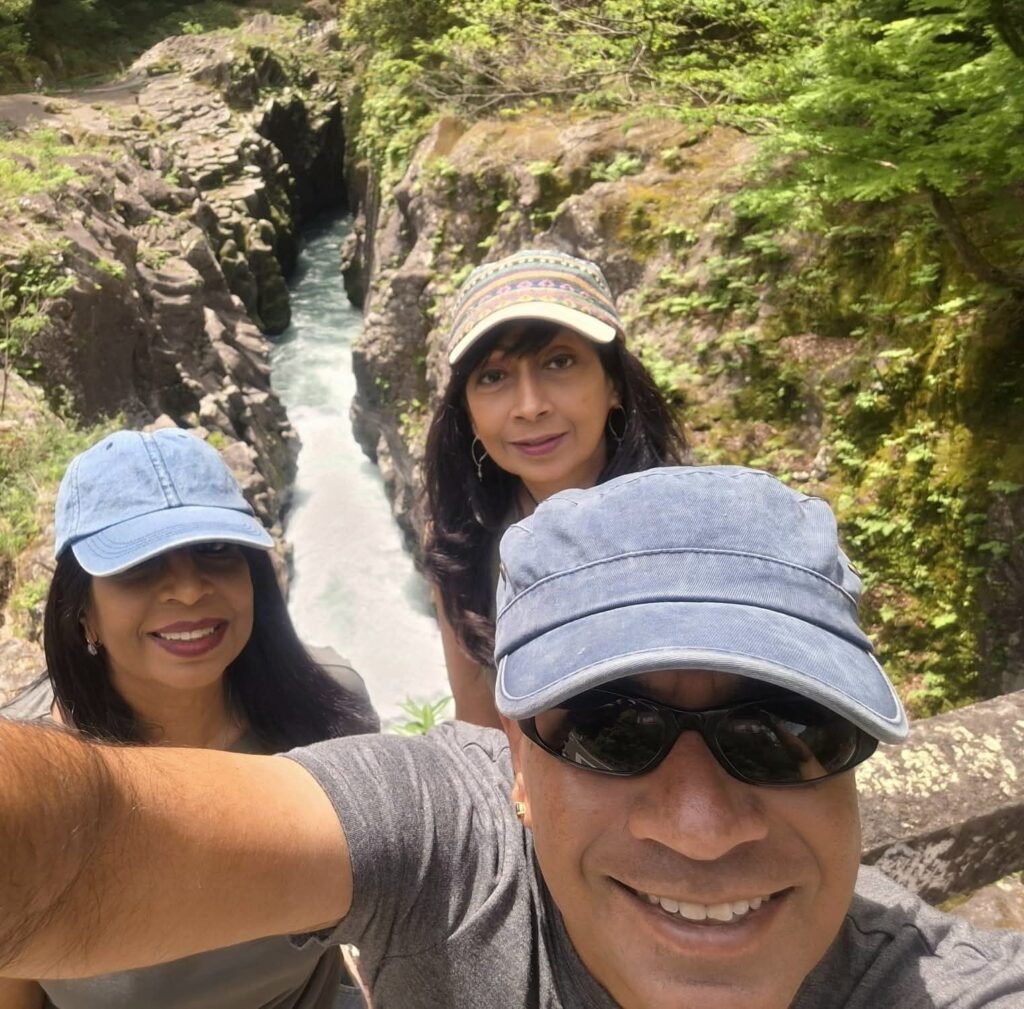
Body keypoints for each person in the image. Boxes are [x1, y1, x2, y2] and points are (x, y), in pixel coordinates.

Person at [1, 466, 1022, 1009]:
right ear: (516, 761)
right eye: (613, 730)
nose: (701, 824)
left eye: (785, 730)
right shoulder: (447, 846)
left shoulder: (932, 980)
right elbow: (82, 842)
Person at [0, 426, 378, 1009]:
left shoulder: (328, 712)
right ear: (82, 611)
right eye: (139, 562)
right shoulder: (29, 789)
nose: (188, 588)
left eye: (216, 550)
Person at [423, 248, 687, 726]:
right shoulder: (462, 543)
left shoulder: (686, 530)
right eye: (494, 376)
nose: (530, 406)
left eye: (559, 362)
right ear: (469, 413)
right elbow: (478, 723)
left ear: (614, 384)